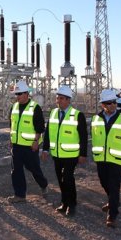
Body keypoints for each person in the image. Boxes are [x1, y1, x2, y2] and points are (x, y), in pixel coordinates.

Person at [90, 88, 121, 227]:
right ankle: (113, 201)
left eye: (114, 103)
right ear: (102, 105)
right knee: (104, 182)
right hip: (101, 158)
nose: (112, 105)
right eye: (109, 103)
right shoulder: (96, 119)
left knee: (114, 185)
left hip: (116, 159)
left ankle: (112, 215)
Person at [41, 85, 88, 217]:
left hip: (71, 155)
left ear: (68, 100)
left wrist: (83, 154)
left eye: (61, 98)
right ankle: (65, 202)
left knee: (67, 178)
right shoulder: (54, 113)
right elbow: (48, 133)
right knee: (60, 179)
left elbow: (83, 137)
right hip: (57, 154)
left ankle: (72, 205)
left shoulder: (78, 115)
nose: (58, 101)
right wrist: (45, 149)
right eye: (57, 98)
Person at [8, 80, 49, 203]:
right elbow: (12, 125)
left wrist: (36, 141)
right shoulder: (14, 107)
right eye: (16, 94)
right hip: (16, 145)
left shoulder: (35, 108)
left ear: (26, 94)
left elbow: (40, 127)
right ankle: (20, 195)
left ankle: (43, 184)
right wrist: (11, 139)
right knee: (16, 170)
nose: (18, 97)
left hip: (30, 146)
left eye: (19, 94)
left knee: (33, 168)